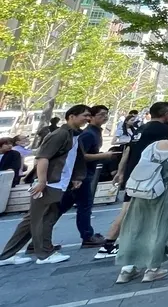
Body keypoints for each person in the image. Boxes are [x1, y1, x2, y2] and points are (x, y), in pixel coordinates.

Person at [0, 105, 91, 266]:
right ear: (71, 116)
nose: (87, 118)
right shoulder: (60, 134)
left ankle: (7, 255)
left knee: (31, 220)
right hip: (50, 183)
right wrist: (42, 181)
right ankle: (45, 254)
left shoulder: (72, 135)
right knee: (45, 217)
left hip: (56, 182)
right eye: (84, 115)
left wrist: (76, 176)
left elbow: (73, 159)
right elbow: (43, 158)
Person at [114, 118, 168, 284]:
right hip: (166, 193)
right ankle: (152, 269)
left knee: (135, 226)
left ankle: (127, 269)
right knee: (159, 228)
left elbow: (142, 163)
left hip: (142, 190)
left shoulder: (152, 146)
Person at [93, 101, 168, 260]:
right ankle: (111, 245)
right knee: (136, 212)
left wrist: (121, 172)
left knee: (128, 210)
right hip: (148, 176)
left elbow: (128, 150)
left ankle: (112, 244)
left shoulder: (141, 128)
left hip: (133, 174)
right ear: (164, 114)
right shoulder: (163, 130)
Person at [61, 105, 114, 248]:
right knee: (83, 206)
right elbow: (79, 157)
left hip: (83, 174)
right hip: (81, 175)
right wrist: (104, 155)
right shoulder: (88, 134)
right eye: (101, 114)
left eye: (107, 114)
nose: (105, 117)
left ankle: (38, 236)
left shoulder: (95, 132)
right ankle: (87, 236)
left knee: (63, 206)